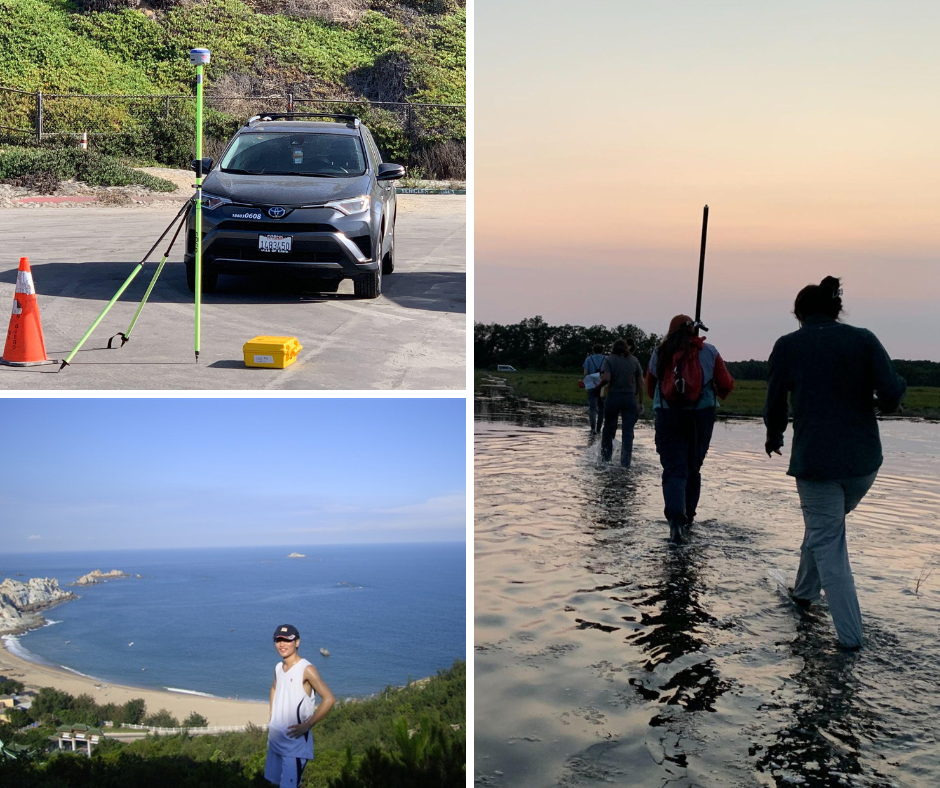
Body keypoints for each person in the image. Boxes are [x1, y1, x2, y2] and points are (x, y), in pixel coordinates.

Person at [764, 276, 905, 650]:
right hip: (864, 463)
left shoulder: (789, 345)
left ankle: (851, 640)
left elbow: (776, 400)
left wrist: (774, 435)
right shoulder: (863, 338)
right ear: (836, 309)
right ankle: (805, 594)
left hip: (816, 463)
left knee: (828, 539)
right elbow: (891, 390)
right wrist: (889, 402)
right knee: (825, 529)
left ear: (798, 313)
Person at [646, 315, 734, 545]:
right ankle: (689, 520)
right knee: (693, 468)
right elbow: (726, 385)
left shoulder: (660, 352)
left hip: (668, 415)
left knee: (674, 469)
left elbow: (650, 386)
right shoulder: (710, 351)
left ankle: (675, 522)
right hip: (701, 416)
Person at [265, 624, 336, 788]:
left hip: (294, 747)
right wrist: (272, 713)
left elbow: (329, 699)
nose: (281, 644)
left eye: (286, 640)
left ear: (297, 642)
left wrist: (308, 725)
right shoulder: (278, 668)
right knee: (273, 783)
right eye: (278, 640)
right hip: (275, 740)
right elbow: (275, 687)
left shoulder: (306, 669)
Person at [599, 338, 644, 466]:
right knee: (628, 432)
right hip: (630, 399)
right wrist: (640, 402)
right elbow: (641, 383)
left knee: (608, 428)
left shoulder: (609, 359)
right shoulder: (634, 360)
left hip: (613, 397)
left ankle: (605, 460)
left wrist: (598, 386)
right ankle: (625, 462)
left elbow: (606, 378)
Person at [583, 343, 607, 434]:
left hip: (591, 385)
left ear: (593, 350)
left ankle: (592, 428)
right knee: (602, 408)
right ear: (603, 350)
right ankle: (599, 429)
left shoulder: (588, 359)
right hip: (603, 385)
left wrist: (586, 382)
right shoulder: (606, 359)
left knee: (592, 408)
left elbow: (585, 373)